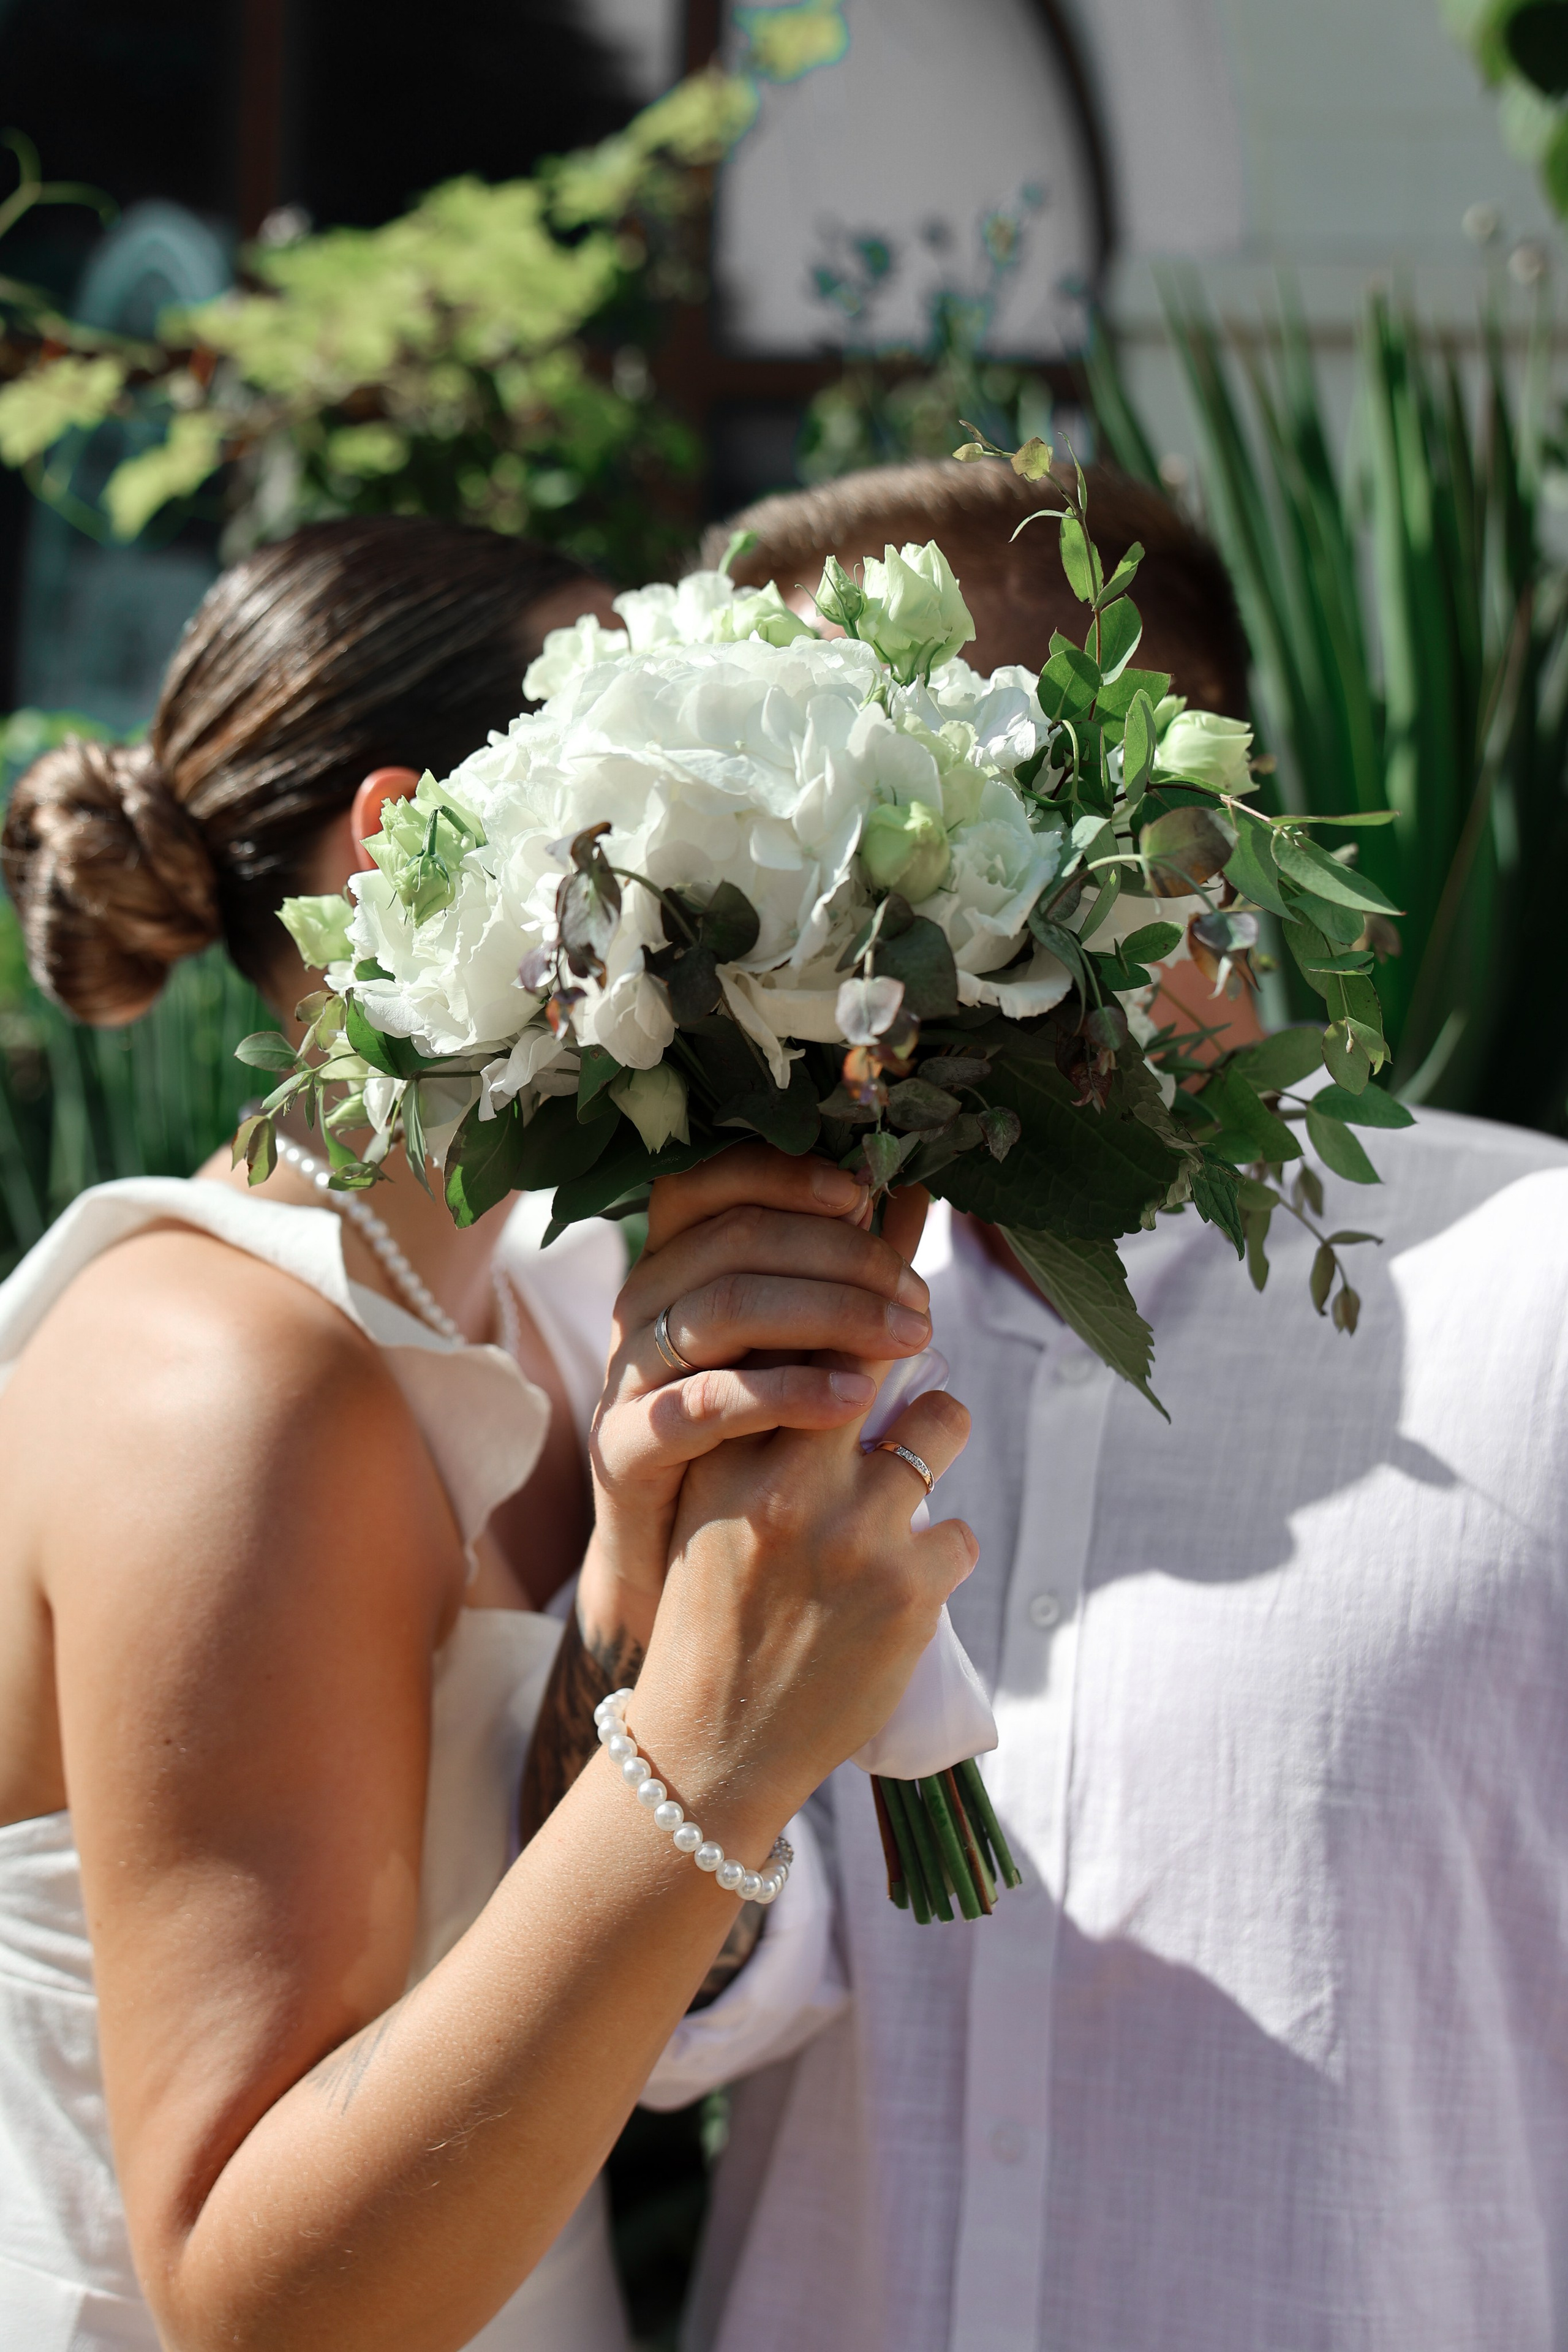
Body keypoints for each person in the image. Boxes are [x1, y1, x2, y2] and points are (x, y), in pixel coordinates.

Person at [0, 516, 973, 2352]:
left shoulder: (540, 1300)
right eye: (656, 776)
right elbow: (249, 2300)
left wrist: (632, 1615)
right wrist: (717, 1749)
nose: (735, 845)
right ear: (405, 847)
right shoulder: (225, 1387)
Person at [680, 461, 1568, 2352]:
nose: (780, 923)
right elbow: (689, 2033)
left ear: (1172, 812)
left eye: (844, 834)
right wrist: (640, 1598)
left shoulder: (1543, 1300)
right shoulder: (735, 1347)